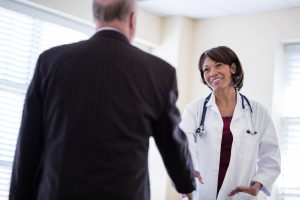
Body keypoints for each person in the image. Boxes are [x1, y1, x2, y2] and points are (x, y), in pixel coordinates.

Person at [9, 0, 196, 199]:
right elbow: (172, 141)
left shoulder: (50, 62)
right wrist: (185, 183)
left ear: (96, 16)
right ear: (132, 20)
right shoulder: (159, 73)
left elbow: (28, 144)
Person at [180, 46, 281, 200]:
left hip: (241, 196)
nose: (212, 72)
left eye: (218, 65)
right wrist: (186, 173)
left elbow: (271, 156)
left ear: (233, 68)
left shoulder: (258, 112)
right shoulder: (194, 110)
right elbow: (184, 147)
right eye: (206, 69)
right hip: (203, 194)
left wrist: (258, 185)